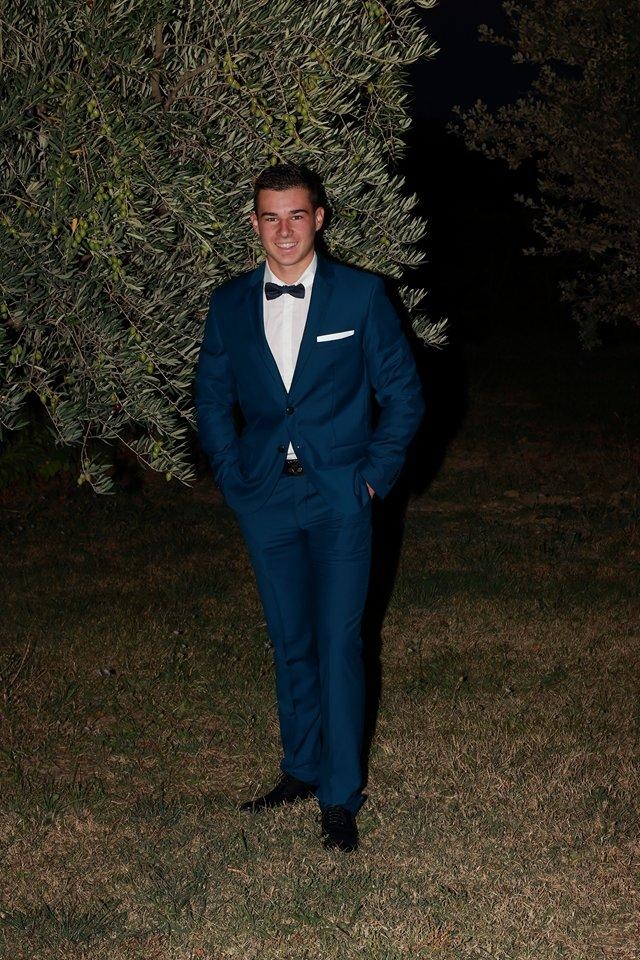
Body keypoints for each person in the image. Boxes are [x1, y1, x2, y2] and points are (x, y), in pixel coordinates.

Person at [195, 163, 424, 852]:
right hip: (266, 496)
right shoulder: (229, 304)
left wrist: (373, 479)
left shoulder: (360, 296)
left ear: (319, 218)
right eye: (271, 217)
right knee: (289, 637)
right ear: (255, 223)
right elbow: (212, 397)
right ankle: (299, 768)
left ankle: (340, 795)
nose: (285, 230)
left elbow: (404, 396)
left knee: (339, 642)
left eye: (297, 215)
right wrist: (232, 475)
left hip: (340, 497)